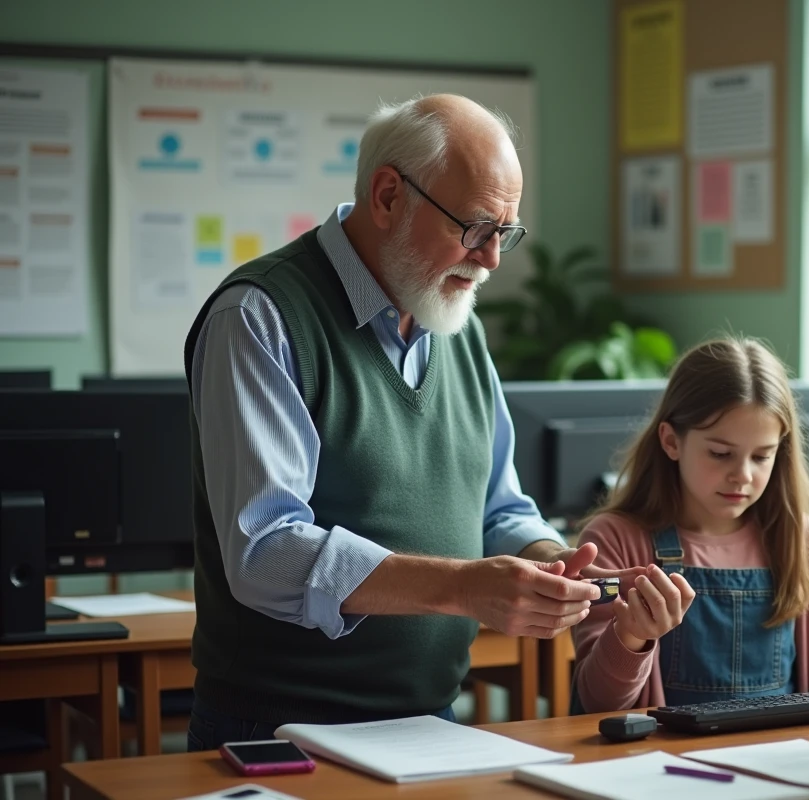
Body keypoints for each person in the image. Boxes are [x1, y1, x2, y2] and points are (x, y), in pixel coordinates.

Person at [182, 93, 635, 749]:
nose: (491, 261)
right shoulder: (259, 315)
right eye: (475, 228)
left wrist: (553, 566)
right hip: (278, 726)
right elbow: (264, 551)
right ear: (388, 196)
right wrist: (460, 587)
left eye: (505, 233)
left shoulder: (455, 322)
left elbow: (496, 508)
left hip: (429, 720)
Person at [571, 337, 809, 713]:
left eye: (761, 456)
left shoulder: (799, 538)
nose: (742, 475)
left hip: (781, 757)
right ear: (671, 441)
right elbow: (597, 701)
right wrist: (630, 637)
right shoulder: (615, 540)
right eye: (720, 454)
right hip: (660, 765)